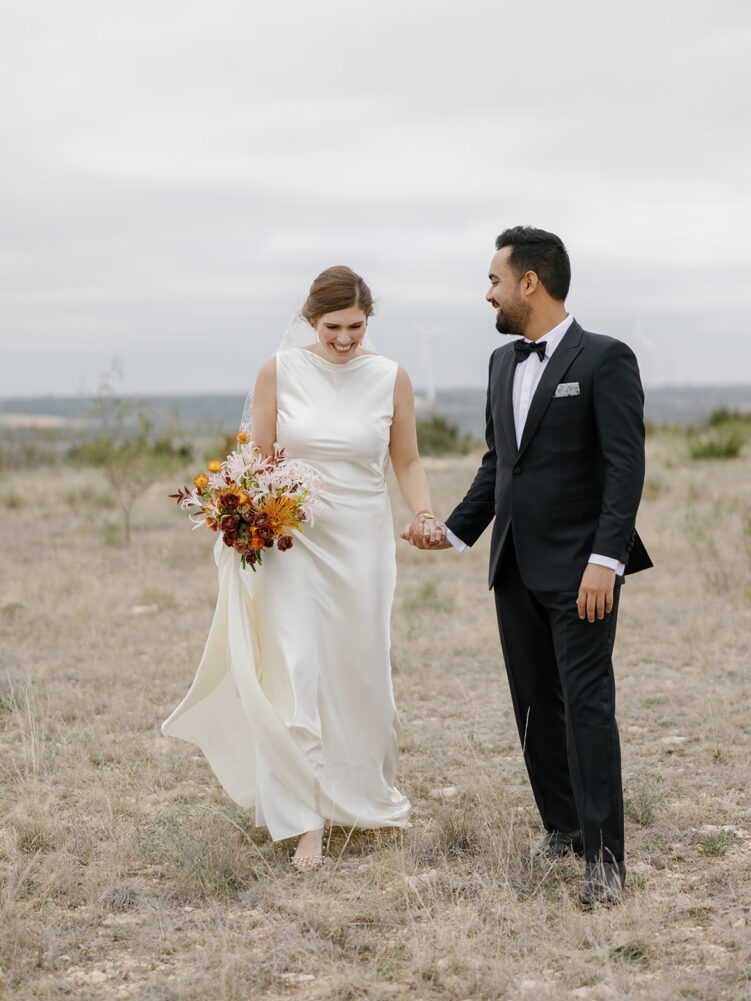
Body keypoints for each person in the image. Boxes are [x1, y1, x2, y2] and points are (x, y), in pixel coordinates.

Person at [405, 227, 652, 907]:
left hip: (582, 571)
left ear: (528, 283)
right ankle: (562, 827)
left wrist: (606, 559)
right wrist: (453, 534)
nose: (486, 291)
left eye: (492, 279)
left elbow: (624, 467)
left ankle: (604, 860)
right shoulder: (499, 364)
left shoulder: (605, 358)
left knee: (586, 707)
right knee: (535, 707)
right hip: (512, 563)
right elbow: (498, 464)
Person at [163, 266, 438, 871]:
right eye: (333, 327)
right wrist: (244, 516)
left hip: (363, 543)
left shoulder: (391, 377)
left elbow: (408, 458)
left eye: (356, 327)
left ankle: (362, 798)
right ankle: (304, 820)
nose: (345, 339)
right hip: (292, 541)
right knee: (298, 667)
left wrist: (422, 511)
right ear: (311, 321)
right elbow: (259, 458)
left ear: (369, 321)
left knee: (358, 670)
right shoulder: (278, 371)